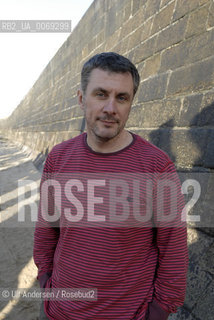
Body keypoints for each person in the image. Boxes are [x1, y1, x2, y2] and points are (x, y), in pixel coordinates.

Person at [33, 52, 188, 320]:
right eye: (101, 94)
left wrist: (159, 311)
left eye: (122, 98)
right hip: (60, 310)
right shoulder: (58, 158)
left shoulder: (156, 166)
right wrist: (46, 279)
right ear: (82, 99)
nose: (110, 108)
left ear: (130, 104)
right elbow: (47, 228)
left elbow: (173, 249)